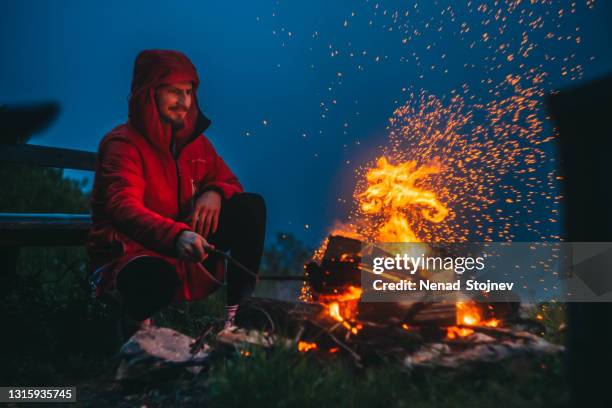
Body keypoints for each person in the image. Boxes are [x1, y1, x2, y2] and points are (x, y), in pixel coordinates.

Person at [86, 49, 266, 340]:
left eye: (189, 91)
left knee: (250, 207)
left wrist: (214, 192)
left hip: (185, 250)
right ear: (150, 93)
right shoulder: (123, 144)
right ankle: (133, 329)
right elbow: (122, 207)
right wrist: (176, 236)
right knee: (155, 278)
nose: (185, 102)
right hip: (131, 254)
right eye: (174, 92)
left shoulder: (197, 145)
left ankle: (237, 322)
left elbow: (230, 181)